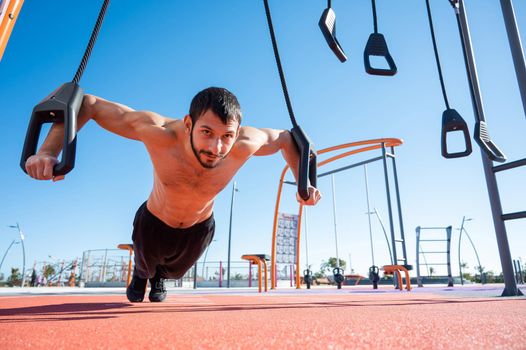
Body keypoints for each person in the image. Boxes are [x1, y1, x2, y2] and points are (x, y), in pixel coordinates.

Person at [25, 87, 322, 302]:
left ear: (237, 132)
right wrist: (49, 151)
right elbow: (87, 103)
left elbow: (287, 139)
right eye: (207, 132)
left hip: (199, 228)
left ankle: (158, 277)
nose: (216, 148)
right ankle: (142, 274)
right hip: (153, 221)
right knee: (145, 265)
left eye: (226, 137)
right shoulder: (159, 132)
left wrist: (303, 183)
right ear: (189, 124)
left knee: (174, 272)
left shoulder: (245, 143)